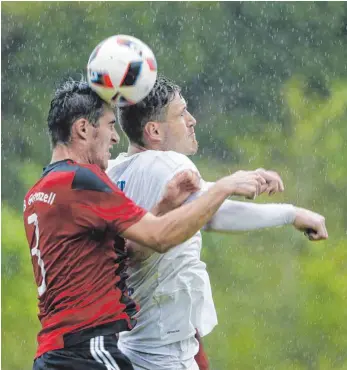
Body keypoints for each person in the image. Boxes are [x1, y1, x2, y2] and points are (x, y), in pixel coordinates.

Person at [23, 79, 272, 370]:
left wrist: (163, 206)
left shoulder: (37, 193)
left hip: (54, 352)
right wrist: (223, 187)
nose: (115, 138)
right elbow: (161, 238)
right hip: (88, 350)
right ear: (82, 129)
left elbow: (122, 254)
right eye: (108, 125)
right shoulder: (82, 180)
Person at [106, 75, 328, 370]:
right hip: (163, 353)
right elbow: (214, 213)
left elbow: (200, 209)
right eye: (181, 113)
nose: (192, 119)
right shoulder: (172, 164)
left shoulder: (113, 171)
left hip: (128, 346)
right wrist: (290, 213)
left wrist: (241, 183)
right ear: (154, 131)